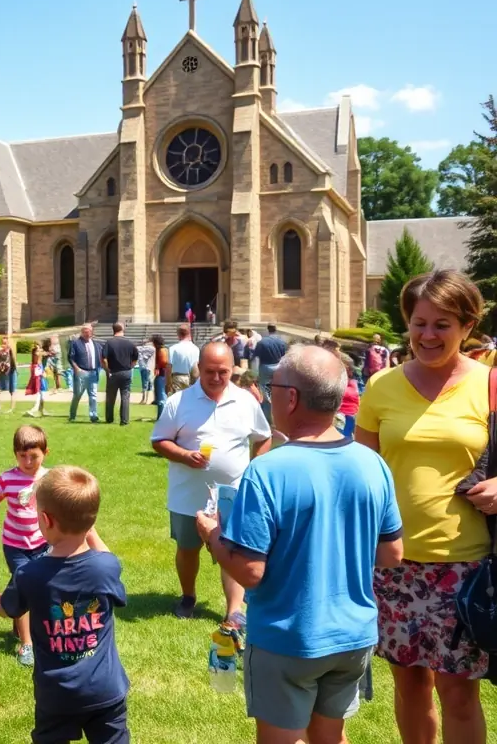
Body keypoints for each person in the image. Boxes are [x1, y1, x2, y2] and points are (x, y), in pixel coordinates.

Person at [196, 345, 403, 744]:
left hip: (289, 636)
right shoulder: (371, 462)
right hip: (353, 635)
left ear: (291, 398)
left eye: (273, 388)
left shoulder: (268, 470)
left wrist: (212, 536)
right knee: (330, 737)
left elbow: (250, 572)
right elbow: (392, 553)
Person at [356, 270, 493, 744]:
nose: (428, 335)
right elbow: (364, 470)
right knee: (410, 683)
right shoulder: (380, 386)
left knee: (458, 692)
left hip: (466, 564)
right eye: (419, 323)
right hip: (394, 561)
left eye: (442, 324)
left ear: (467, 327)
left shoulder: (490, 384)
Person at [0, 466, 129, 744]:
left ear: (45, 520)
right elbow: (109, 558)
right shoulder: (106, 566)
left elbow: (7, 608)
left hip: (57, 693)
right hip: (106, 690)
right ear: (91, 522)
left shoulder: (30, 574)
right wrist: (88, 527)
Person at [151, 342, 272, 621]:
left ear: (232, 369)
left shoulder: (246, 401)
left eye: (223, 372)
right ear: (199, 369)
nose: (216, 378)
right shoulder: (178, 402)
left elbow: (263, 436)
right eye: (210, 372)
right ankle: (188, 596)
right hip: (187, 495)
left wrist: (255, 467)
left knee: (233, 549)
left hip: (233, 494)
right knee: (187, 548)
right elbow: (159, 440)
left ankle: (234, 611)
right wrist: (183, 455)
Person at [0, 425, 51, 667]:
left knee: (37, 588)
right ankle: (27, 643)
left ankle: (16, 616)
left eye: (33, 456)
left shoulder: (50, 478)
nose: (27, 461)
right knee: (26, 588)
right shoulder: (7, 479)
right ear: (15, 454)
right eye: (22, 456)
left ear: (46, 452)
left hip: (43, 544)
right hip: (15, 545)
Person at [102, 322, 139, 426]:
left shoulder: (109, 343)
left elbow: (103, 359)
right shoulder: (130, 343)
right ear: (122, 329)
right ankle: (124, 420)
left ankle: (109, 418)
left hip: (113, 372)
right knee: (125, 396)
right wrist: (130, 367)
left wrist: (107, 369)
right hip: (126, 372)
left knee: (110, 396)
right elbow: (135, 358)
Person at [250, 324, 288, 424]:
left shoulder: (262, 342)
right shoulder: (282, 342)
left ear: (268, 330)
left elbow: (255, 357)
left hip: (266, 367)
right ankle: (280, 418)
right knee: (279, 392)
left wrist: (253, 371)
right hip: (278, 366)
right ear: (276, 330)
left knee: (265, 394)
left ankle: (267, 420)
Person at [68, 324, 101, 423]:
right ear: (82, 332)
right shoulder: (75, 343)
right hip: (81, 372)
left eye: (90, 331)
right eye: (86, 332)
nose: (88, 334)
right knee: (77, 395)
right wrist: (76, 368)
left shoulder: (95, 344)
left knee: (93, 395)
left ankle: (93, 415)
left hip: (93, 373)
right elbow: (70, 357)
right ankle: (72, 415)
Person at [166, 324, 200, 395]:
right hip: (191, 379)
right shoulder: (196, 349)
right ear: (189, 333)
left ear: (178, 334)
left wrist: (168, 384)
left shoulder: (173, 348)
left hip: (177, 378)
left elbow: (169, 367)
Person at [337, 354, 360, 437]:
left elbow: (358, 398)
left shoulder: (354, 381)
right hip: (339, 416)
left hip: (352, 416)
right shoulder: (333, 381)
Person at [24, 344, 47, 418]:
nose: (40, 350)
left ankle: (41, 410)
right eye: (38, 349)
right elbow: (37, 368)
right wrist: (42, 373)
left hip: (38, 371)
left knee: (42, 394)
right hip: (38, 372)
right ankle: (34, 409)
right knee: (40, 393)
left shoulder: (38, 355)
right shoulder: (37, 354)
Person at [137, 337, 155, 406]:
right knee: (148, 384)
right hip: (146, 368)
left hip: (146, 368)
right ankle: (146, 399)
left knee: (145, 384)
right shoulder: (144, 349)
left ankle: (145, 400)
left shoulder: (149, 348)